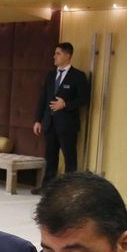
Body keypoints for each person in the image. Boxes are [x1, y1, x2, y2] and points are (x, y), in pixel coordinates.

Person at [32, 42, 90, 195]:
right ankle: (47, 188)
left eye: (58, 53)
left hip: (67, 125)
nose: (54, 56)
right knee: (50, 157)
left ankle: (69, 190)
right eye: (55, 53)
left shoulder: (78, 76)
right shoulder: (50, 75)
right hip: (49, 123)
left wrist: (65, 104)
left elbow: (84, 99)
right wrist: (38, 120)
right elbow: (43, 99)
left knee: (70, 158)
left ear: (67, 56)